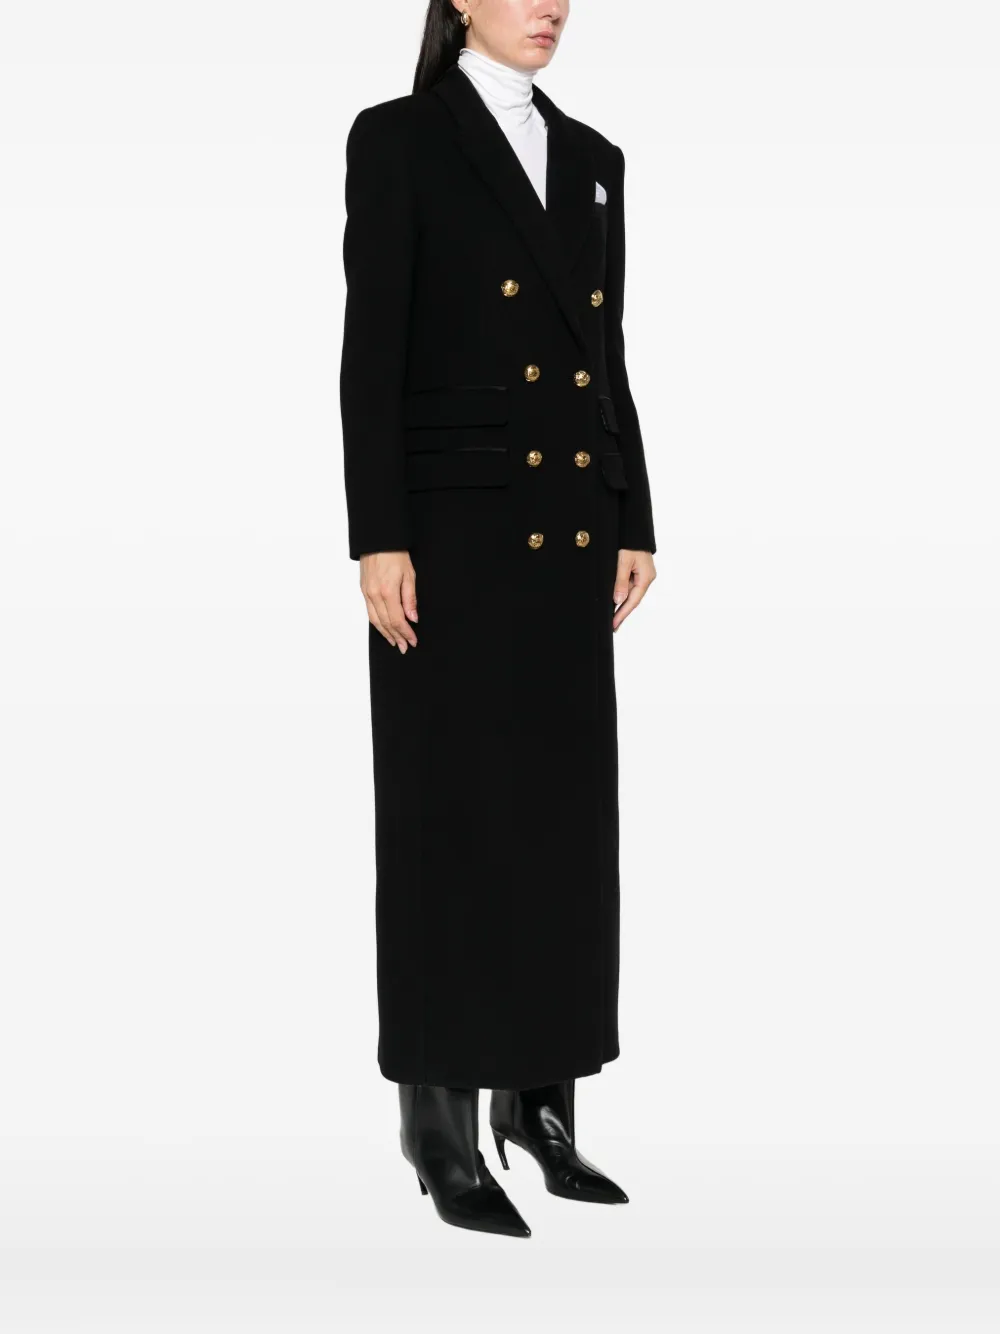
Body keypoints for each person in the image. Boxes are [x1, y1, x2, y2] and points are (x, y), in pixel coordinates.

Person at [339, 0, 656, 1238]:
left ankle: (542, 1103)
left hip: (569, 535)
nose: (550, 4)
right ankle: (439, 1122)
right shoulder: (398, 138)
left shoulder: (593, 157)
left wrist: (635, 513)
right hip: (451, 542)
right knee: (450, 822)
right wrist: (377, 533)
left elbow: (604, 351)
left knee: (561, 829)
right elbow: (372, 346)